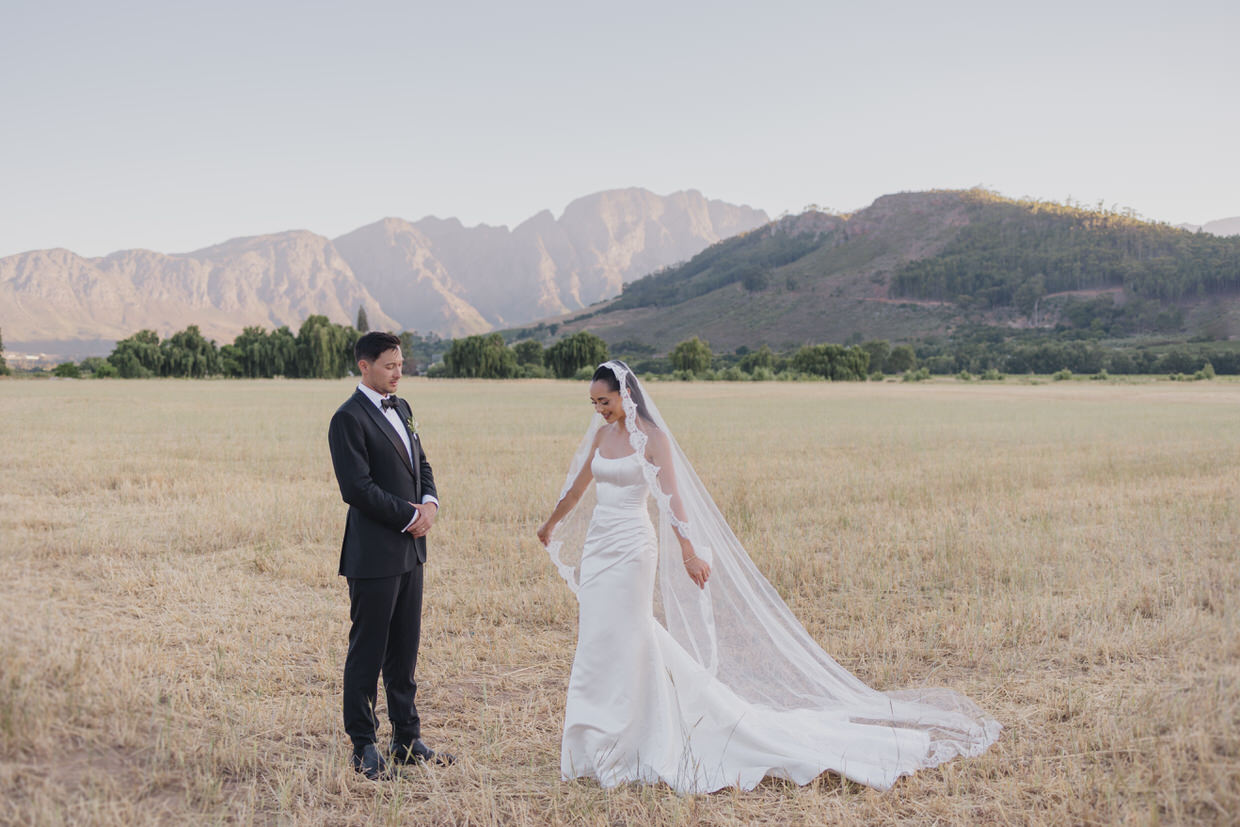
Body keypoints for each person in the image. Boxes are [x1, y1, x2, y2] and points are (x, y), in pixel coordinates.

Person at [536, 360, 1000, 793]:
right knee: (598, 636)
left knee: (632, 632)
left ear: (626, 394)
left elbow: (672, 500)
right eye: (594, 404)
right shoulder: (600, 438)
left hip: (634, 547)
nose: (599, 410)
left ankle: (641, 733)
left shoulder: (653, 438)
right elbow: (578, 488)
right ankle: (595, 738)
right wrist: (551, 524)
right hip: (600, 547)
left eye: (605, 401)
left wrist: (689, 551)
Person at [328, 331, 453, 780]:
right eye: (389, 366)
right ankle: (363, 744)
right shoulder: (347, 418)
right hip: (374, 555)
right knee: (367, 653)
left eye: (401, 364)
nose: (399, 373)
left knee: (404, 651)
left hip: (411, 551)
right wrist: (408, 514)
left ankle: (406, 739)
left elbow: (421, 464)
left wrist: (431, 504)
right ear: (364, 366)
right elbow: (356, 488)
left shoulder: (402, 407)